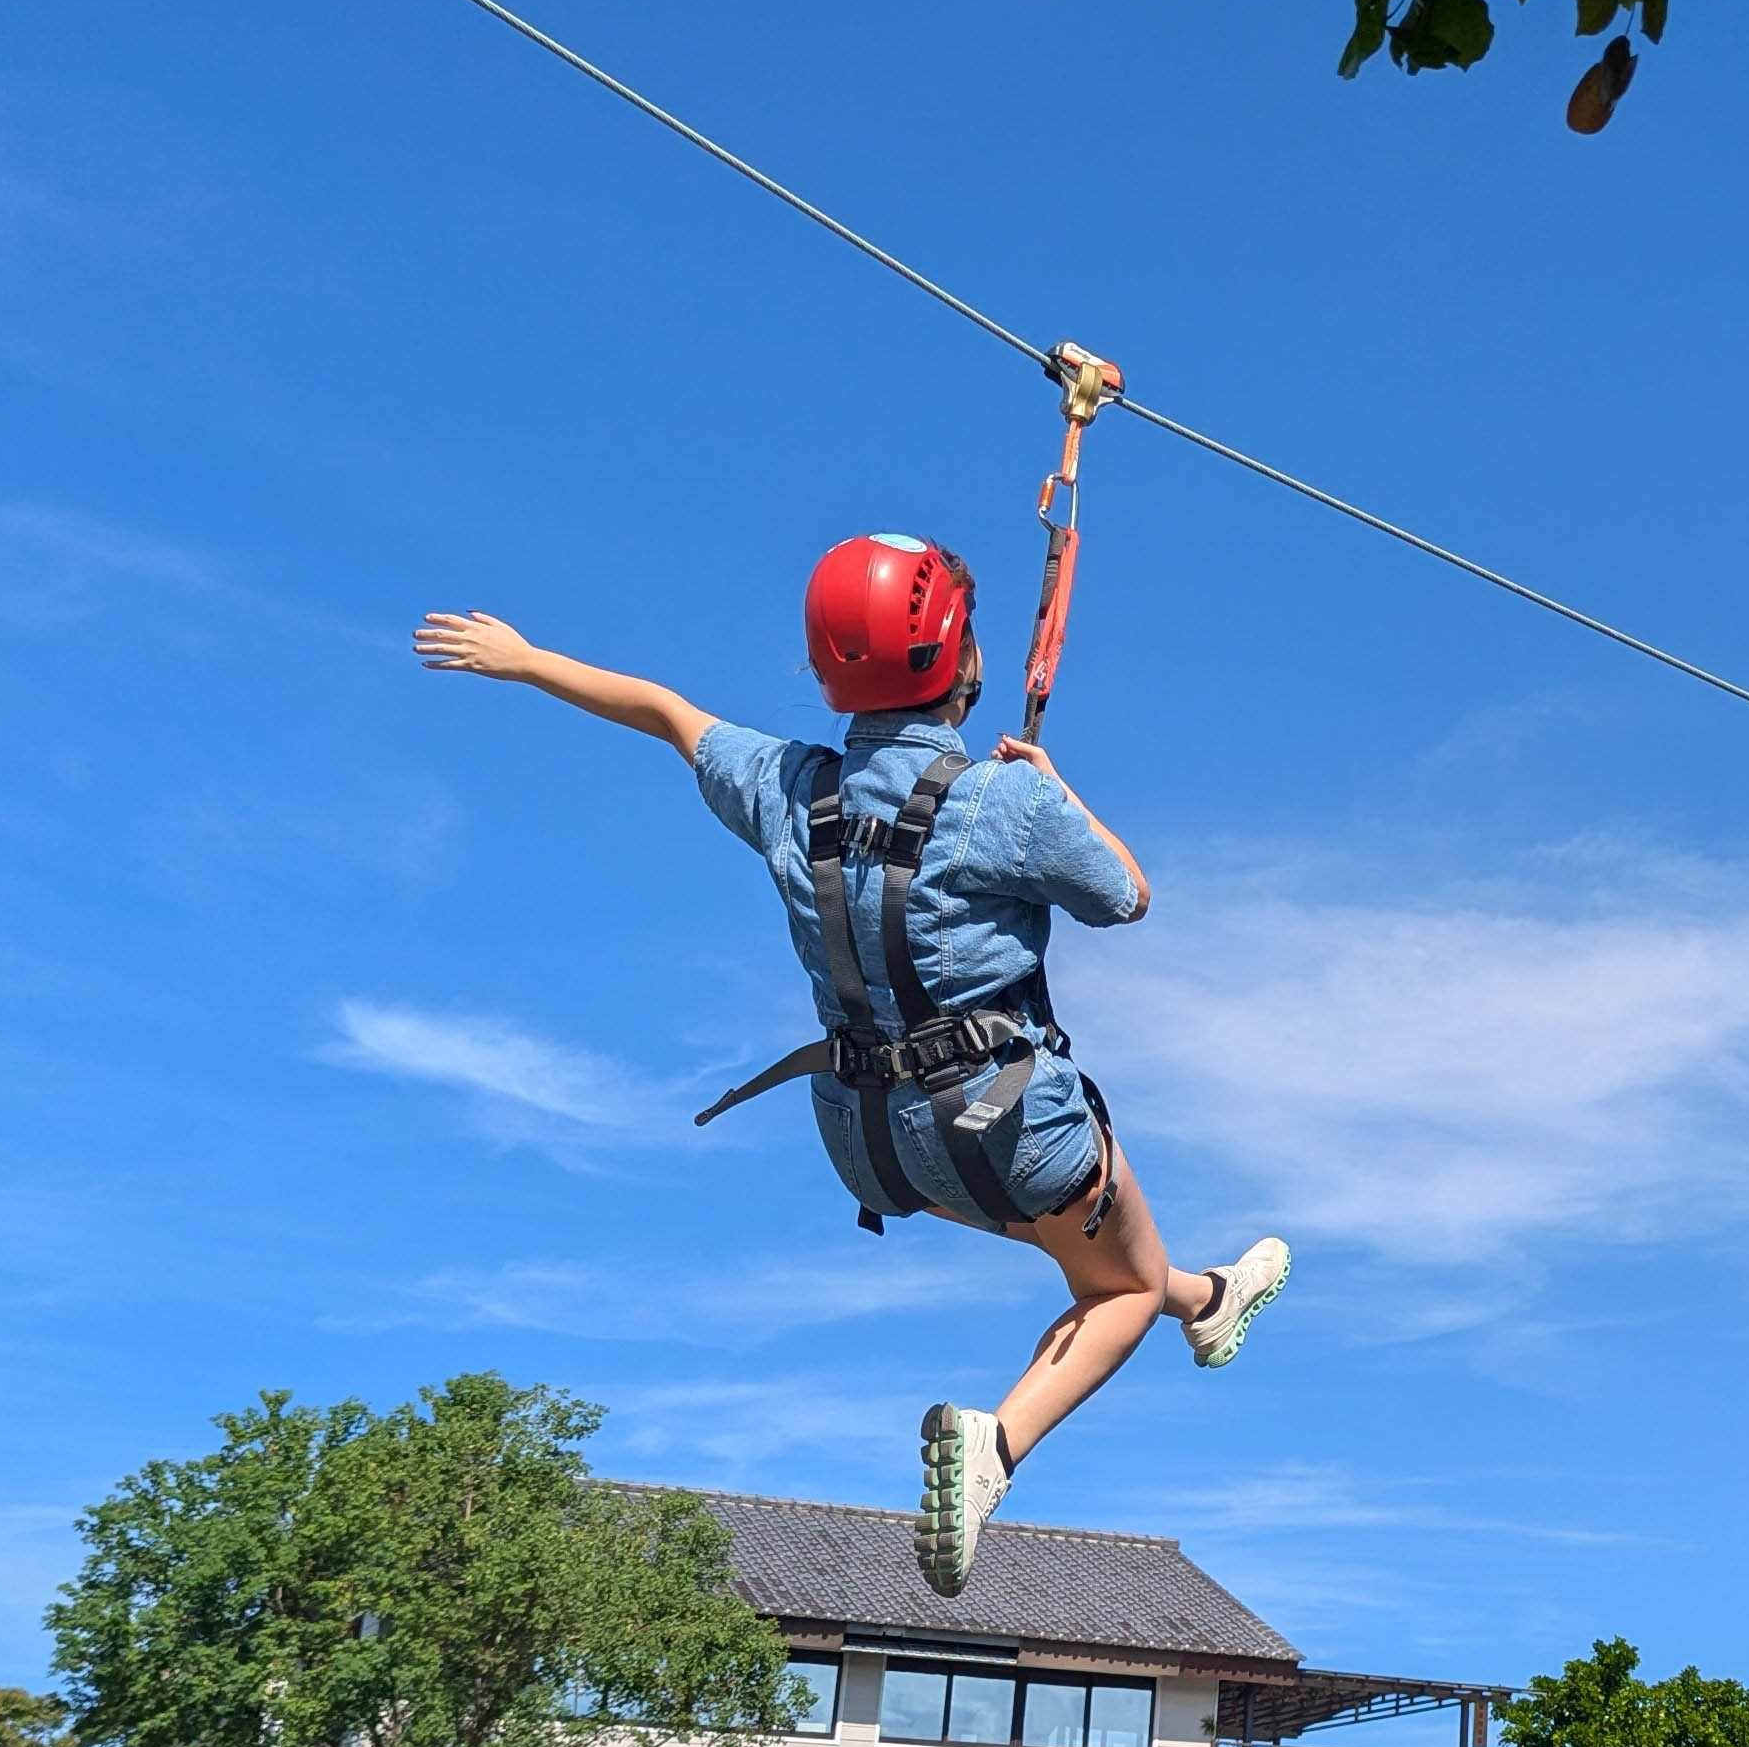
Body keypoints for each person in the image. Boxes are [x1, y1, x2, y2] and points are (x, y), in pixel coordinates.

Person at [413, 533, 1289, 1593]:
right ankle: (998, 1447)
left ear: (828, 669)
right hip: (1005, 1123)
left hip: (871, 1143)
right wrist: (1055, 790)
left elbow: (663, 711)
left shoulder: (789, 789)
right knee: (1119, 1290)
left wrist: (526, 657)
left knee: (1134, 1271)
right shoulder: (1004, 801)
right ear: (959, 657)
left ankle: (1210, 1302)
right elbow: (1126, 895)